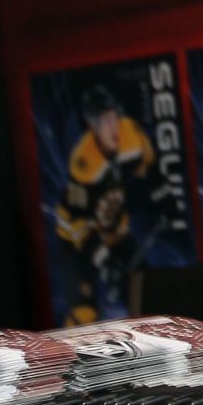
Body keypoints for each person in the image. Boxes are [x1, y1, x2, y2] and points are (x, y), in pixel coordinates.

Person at [52, 84, 157, 323]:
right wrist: (102, 258)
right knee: (83, 315)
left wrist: (162, 198)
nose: (114, 126)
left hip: (115, 233)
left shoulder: (131, 134)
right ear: (93, 126)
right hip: (77, 242)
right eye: (105, 121)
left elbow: (148, 168)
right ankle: (74, 359)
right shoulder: (83, 162)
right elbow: (77, 221)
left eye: (114, 117)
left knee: (149, 293)